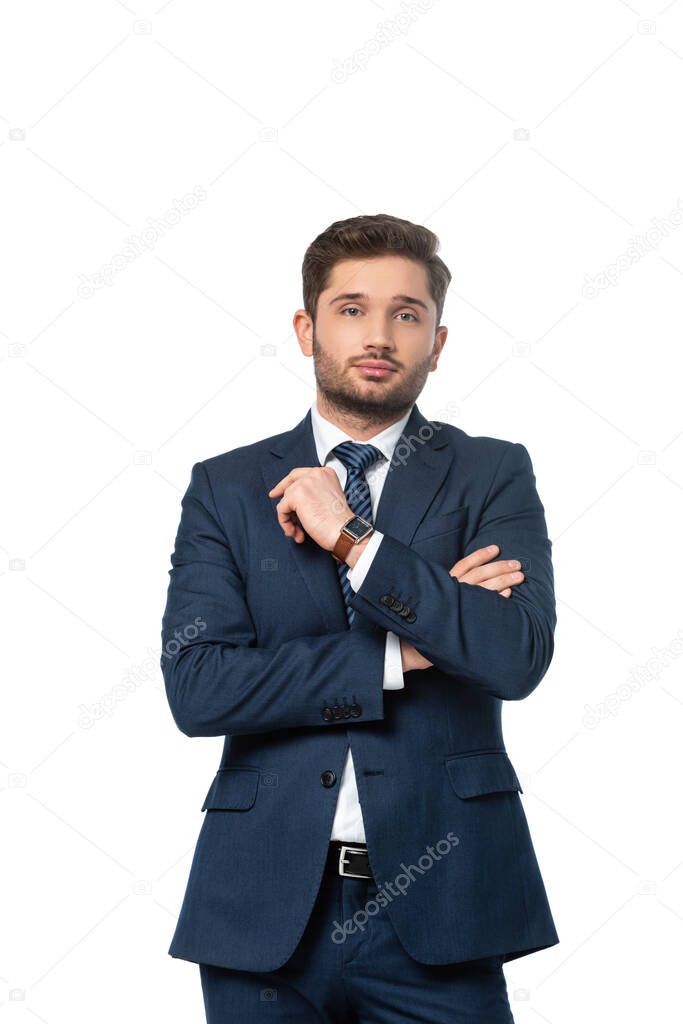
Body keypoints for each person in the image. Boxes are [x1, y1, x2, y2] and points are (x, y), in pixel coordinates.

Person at [160, 213, 559, 1023]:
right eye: (351, 309)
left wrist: (354, 540)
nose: (377, 334)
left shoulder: (490, 472)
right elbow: (200, 688)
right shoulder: (226, 487)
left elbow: (512, 653)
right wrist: (400, 653)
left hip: (445, 907)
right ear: (307, 327)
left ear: (436, 342)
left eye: (405, 314)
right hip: (263, 908)